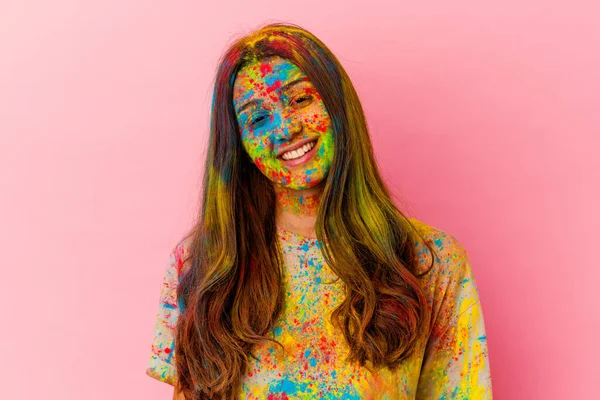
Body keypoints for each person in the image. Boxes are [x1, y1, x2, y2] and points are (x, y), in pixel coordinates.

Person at [145, 22, 493, 399]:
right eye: (258, 118)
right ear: (239, 145)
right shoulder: (203, 263)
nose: (286, 128)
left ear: (337, 103)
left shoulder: (430, 261)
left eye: (299, 100)